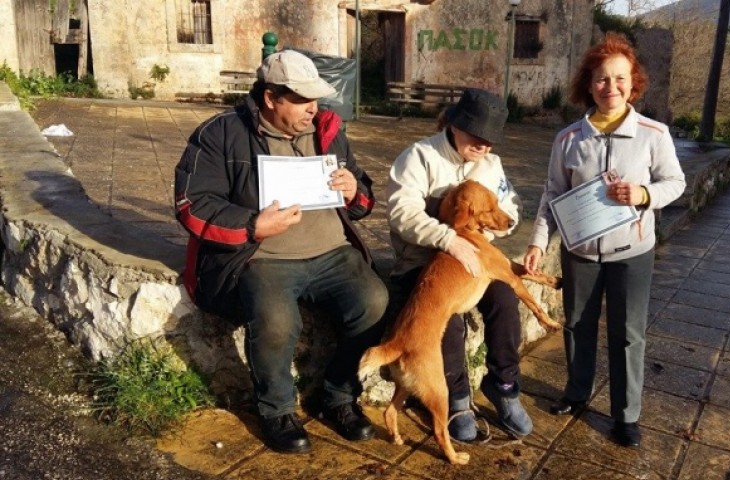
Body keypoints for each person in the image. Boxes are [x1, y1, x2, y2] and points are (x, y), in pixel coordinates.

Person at [174, 50, 388, 454]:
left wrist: (353, 191)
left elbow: (363, 200)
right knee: (275, 320)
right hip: (264, 258)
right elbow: (191, 203)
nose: (314, 108)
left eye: (317, 99)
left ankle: (339, 396)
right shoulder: (220, 134)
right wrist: (252, 225)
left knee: (374, 301)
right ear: (271, 98)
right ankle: (276, 410)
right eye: (303, 100)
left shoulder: (327, 129)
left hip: (332, 252)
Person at [523, 32, 686, 448]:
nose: (610, 87)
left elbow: (675, 182)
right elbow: (553, 195)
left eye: (619, 78)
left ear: (633, 82)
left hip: (633, 252)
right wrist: (540, 242)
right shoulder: (568, 139)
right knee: (577, 325)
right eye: (601, 79)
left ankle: (626, 415)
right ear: (588, 84)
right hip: (579, 252)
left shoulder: (654, 134)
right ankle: (576, 394)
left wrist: (645, 195)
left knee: (628, 332)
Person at [386, 88, 531, 441]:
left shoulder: (490, 165)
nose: (483, 146)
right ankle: (458, 402)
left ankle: (504, 384)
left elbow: (510, 209)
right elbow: (401, 213)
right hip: (423, 262)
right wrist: (449, 239)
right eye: (476, 136)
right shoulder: (419, 157)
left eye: (490, 140)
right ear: (453, 123)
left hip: (473, 260)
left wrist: (487, 229)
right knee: (447, 324)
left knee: (505, 300)